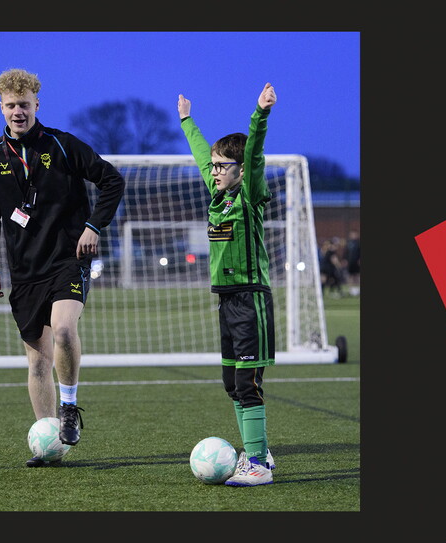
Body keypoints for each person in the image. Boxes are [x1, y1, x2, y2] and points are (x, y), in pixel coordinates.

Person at [0, 68, 126, 467]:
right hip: (24, 271)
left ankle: (69, 406)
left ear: (37, 105)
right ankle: (48, 443)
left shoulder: (63, 145)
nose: (18, 112)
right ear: (1, 107)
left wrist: (93, 226)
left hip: (67, 260)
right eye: (11, 105)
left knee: (63, 329)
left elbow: (112, 181)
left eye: (24, 105)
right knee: (38, 362)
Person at [177, 82, 278, 486]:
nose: (215, 170)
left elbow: (255, 154)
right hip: (226, 302)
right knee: (231, 384)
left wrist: (260, 114)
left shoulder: (249, 196)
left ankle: (257, 463)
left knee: (247, 383)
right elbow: (202, 155)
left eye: (223, 166)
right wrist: (187, 121)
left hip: (251, 300)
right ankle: (259, 451)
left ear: (240, 169)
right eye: (215, 166)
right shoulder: (217, 198)